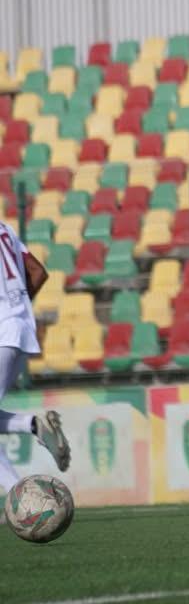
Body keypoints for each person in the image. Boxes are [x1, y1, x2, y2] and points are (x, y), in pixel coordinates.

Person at [0, 219, 72, 519]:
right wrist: (13, 308)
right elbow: (38, 272)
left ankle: (23, 502)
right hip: (20, 330)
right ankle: (32, 424)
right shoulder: (4, 228)